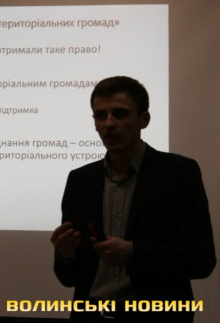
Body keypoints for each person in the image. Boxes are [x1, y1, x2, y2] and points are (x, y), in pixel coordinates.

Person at [51, 76, 215, 322]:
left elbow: (201, 261)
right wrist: (65, 256)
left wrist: (133, 253)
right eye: (100, 115)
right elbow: (69, 277)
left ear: (144, 119)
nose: (108, 123)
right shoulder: (80, 180)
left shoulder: (179, 174)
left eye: (120, 114)